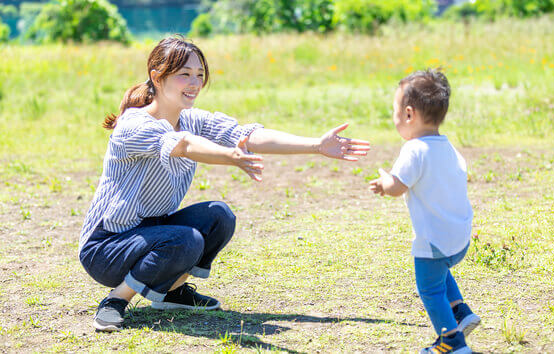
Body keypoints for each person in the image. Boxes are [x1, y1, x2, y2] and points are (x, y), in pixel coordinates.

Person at [79, 36, 370, 332]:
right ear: (157, 76)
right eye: (185, 75)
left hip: (152, 231)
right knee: (184, 239)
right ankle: (115, 301)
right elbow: (183, 145)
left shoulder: (192, 119)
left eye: (199, 76)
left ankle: (171, 292)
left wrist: (315, 145)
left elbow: (246, 135)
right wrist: (229, 155)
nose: (194, 83)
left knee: (219, 215)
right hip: (106, 246)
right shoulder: (134, 125)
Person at [369, 69, 480, 354]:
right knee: (439, 270)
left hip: (434, 241)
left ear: (409, 114)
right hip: (459, 239)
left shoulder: (414, 149)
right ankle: (460, 311)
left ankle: (451, 340)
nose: (393, 116)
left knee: (430, 289)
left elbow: (396, 187)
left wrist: (384, 182)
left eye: (394, 110)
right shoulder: (448, 146)